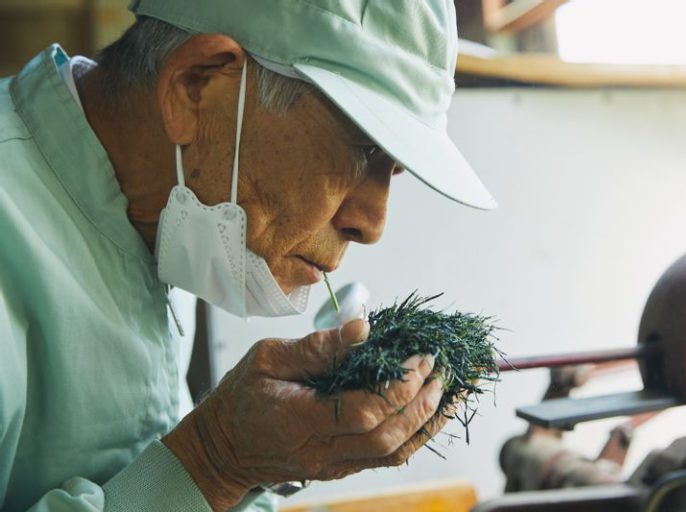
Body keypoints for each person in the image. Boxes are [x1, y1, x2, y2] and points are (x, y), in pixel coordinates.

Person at [0, 1, 497, 511]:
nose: (372, 224)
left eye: (391, 170)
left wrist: (252, 468)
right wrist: (215, 460)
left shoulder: (171, 209)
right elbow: (192, 471)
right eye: (359, 151)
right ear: (197, 86)